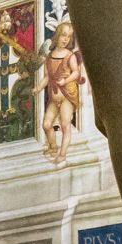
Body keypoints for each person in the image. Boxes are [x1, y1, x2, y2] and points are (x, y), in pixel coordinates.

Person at [40, 21, 85, 163]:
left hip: (67, 96)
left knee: (65, 125)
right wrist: (38, 88)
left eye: (69, 37)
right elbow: (47, 77)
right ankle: (53, 147)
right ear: (57, 36)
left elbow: (76, 73)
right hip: (54, 99)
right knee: (46, 125)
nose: (66, 39)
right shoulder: (49, 58)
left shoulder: (70, 56)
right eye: (63, 35)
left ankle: (63, 154)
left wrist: (65, 81)